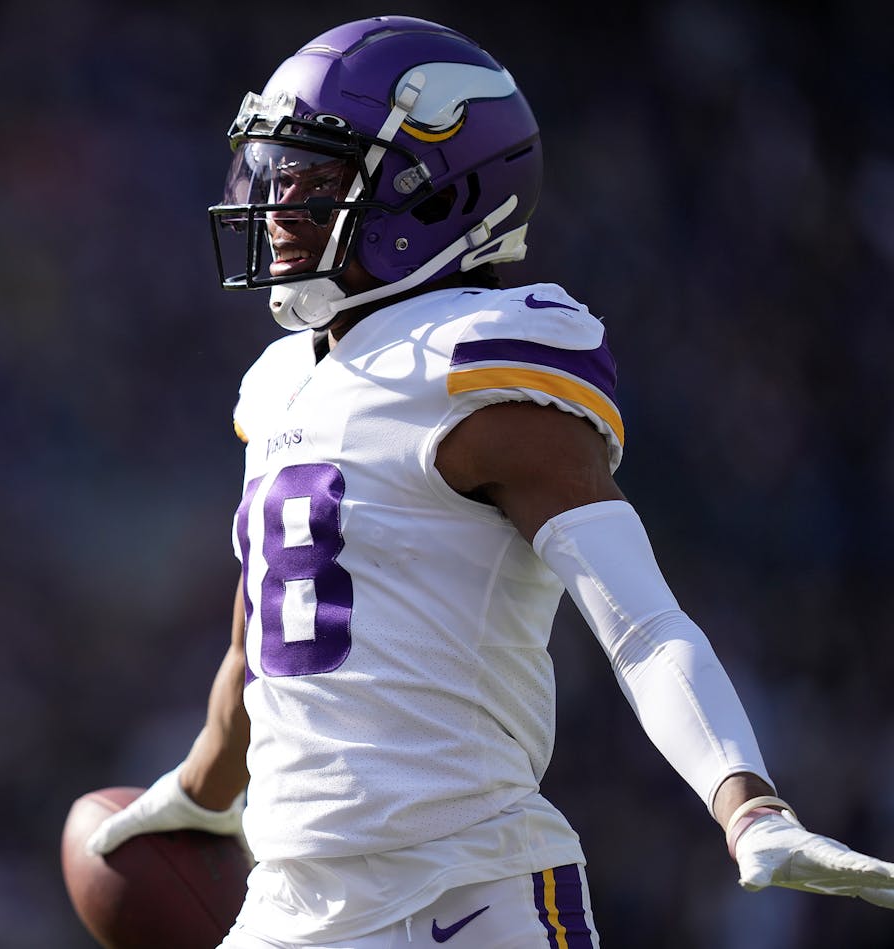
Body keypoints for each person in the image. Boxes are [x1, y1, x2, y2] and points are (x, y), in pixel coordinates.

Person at [86, 15, 894, 948]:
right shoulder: (277, 385)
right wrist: (193, 795)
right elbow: (259, 652)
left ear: (432, 196)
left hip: (469, 897)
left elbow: (641, 624)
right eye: (275, 175)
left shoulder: (478, 370)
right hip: (291, 905)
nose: (275, 209)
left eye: (313, 181)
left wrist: (747, 802)